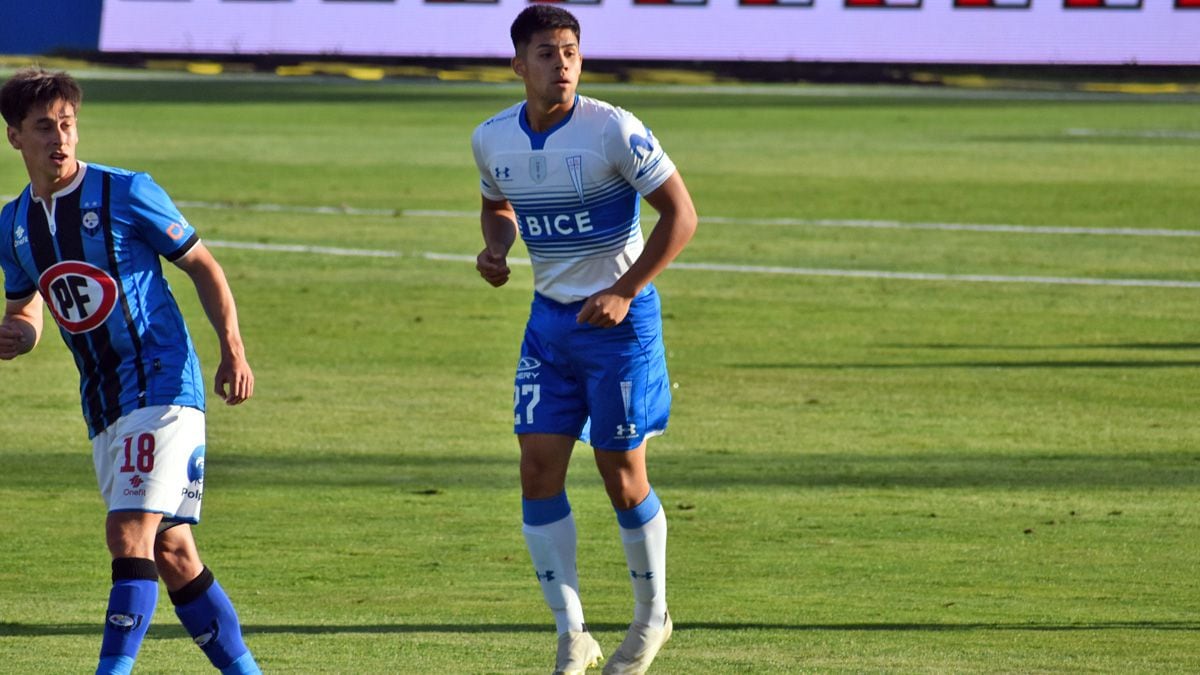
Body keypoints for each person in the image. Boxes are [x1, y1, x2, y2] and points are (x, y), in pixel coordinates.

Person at [0, 68, 261, 675]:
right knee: (171, 552)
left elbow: (203, 266)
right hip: (103, 401)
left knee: (127, 535)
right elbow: (28, 306)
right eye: (44, 127)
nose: (60, 139)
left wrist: (233, 349)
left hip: (164, 383)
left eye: (67, 124)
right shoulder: (13, 225)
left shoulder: (127, 192)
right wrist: (21, 335)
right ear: (15, 136)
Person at [471, 6, 698, 674]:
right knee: (537, 468)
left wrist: (626, 288)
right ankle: (574, 632)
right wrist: (495, 248)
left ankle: (652, 616)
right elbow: (496, 204)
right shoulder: (492, 139)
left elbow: (681, 216)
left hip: (621, 328)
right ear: (519, 65)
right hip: (548, 325)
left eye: (571, 51)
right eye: (546, 53)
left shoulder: (613, 130)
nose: (562, 64)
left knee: (621, 475)